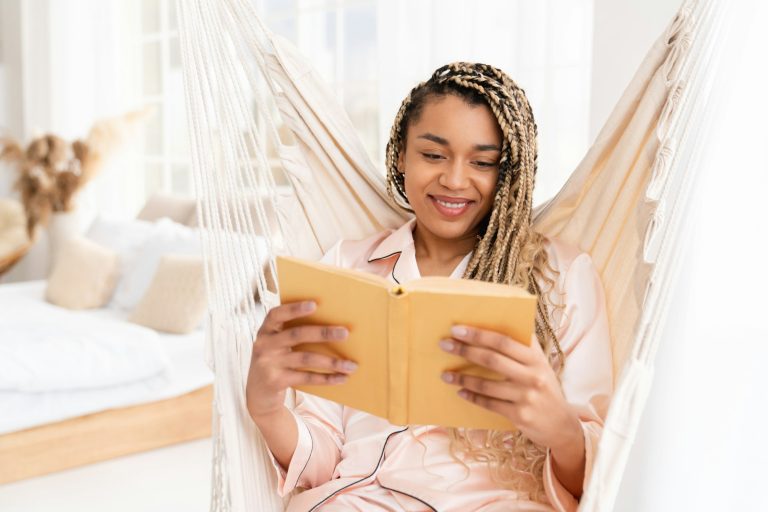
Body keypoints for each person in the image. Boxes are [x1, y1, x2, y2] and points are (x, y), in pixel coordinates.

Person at [246, 62, 613, 512]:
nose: (455, 180)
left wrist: (561, 429)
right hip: (362, 501)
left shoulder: (563, 275)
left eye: (483, 162)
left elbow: (600, 484)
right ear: (401, 155)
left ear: (508, 174)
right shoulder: (346, 266)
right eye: (434, 155)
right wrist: (266, 408)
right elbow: (321, 461)